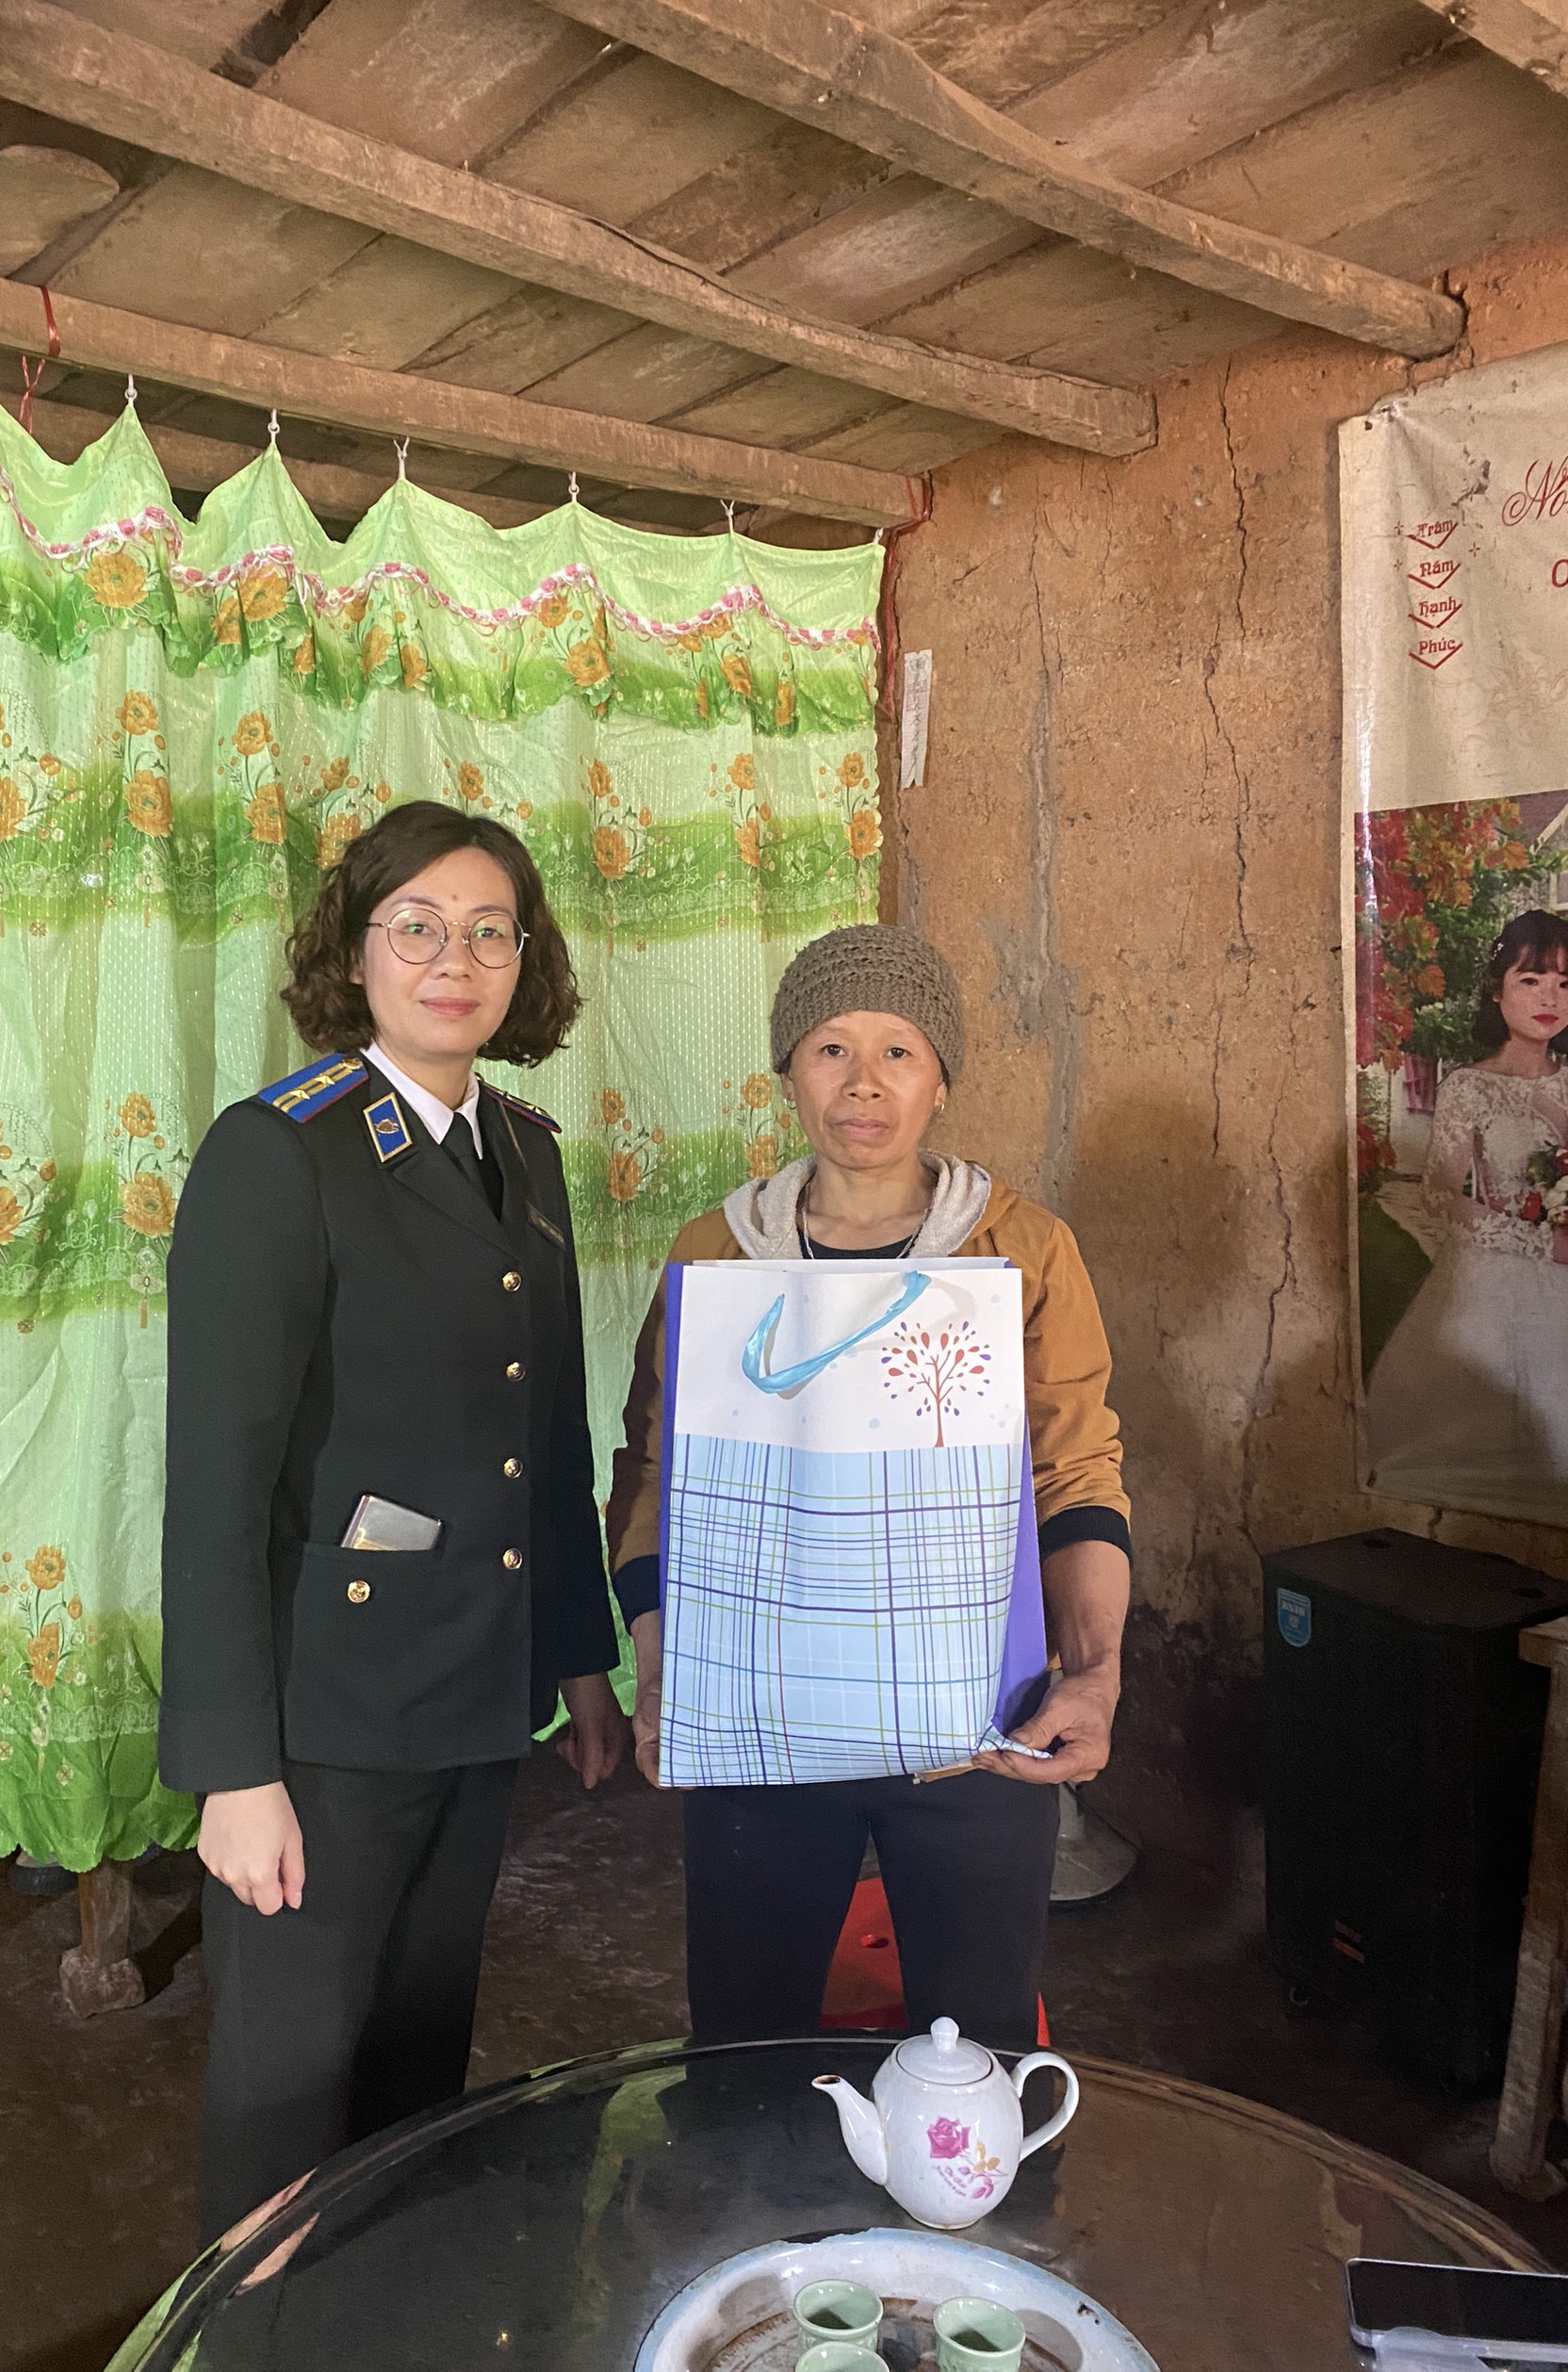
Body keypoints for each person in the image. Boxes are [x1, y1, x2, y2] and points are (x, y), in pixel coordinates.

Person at [160, 799, 625, 2241]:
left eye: (491, 931)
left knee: (421, 2069)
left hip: (479, 1696)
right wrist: (235, 1773)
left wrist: (580, 1662)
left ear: (527, 960)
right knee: (287, 2098)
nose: (454, 960)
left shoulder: (525, 1154)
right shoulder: (280, 1153)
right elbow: (216, 1484)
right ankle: (256, 2333)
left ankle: (381, 2314)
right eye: (415, 926)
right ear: (353, 953)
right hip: (329, 1722)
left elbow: (546, 1436)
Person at [605, 923, 1130, 2051]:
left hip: (975, 1729)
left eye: (899, 1050)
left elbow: (1075, 1471)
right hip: (760, 1723)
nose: (864, 1082)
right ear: (788, 1071)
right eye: (831, 1048)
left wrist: (1093, 1674)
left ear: (942, 1078)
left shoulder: (1022, 1252)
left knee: (976, 2049)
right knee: (746, 2044)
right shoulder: (715, 1255)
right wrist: (658, 1667)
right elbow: (653, 1476)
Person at [1365, 908, 1568, 1520]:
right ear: (1496, 989)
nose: (1550, 998)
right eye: (1531, 979)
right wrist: (1541, 1243)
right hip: (1500, 1274)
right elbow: (1440, 1194)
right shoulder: (1470, 1088)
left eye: (1564, 982)